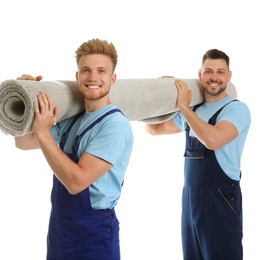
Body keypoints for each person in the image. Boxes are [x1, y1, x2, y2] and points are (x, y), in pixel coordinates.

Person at [15, 38, 134, 260]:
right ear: (77, 76)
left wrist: (42, 132)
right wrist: (25, 98)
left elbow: (76, 182)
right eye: (86, 70)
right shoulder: (71, 120)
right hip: (60, 228)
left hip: (93, 233)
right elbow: (22, 143)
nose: (93, 77)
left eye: (101, 71)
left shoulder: (114, 126)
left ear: (113, 78)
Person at [145, 49, 251, 260]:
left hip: (220, 200)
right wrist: (159, 95)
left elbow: (213, 140)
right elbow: (154, 129)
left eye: (220, 72)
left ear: (229, 77)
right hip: (191, 200)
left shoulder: (237, 110)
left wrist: (183, 106)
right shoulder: (195, 111)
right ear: (200, 75)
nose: (214, 77)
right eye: (209, 71)